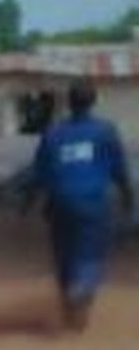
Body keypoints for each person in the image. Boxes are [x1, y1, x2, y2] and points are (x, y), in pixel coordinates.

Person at [32, 78, 134, 331]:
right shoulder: (105, 131)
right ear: (93, 102)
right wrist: (129, 198)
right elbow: (120, 170)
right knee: (90, 253)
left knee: (64, 254)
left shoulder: (53, 132)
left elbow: (40, 172)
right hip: (93, 203)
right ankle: (81, 287)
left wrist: (34, 200)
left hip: (59, 203)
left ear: (69, 102)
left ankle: (72, 312)